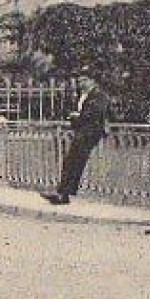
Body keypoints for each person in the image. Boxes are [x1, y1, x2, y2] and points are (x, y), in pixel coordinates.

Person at [44, 73, 109, 205]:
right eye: (79, 81)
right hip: (82, 132)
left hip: (90, 133)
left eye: (84, 80)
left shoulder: (99, 96)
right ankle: (62, 193)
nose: (81, 83)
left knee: (74, 162)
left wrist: (77, 116)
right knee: (71, 162)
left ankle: (64, 194)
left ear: (92, 81)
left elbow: (93, 115)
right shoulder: (82, 95)